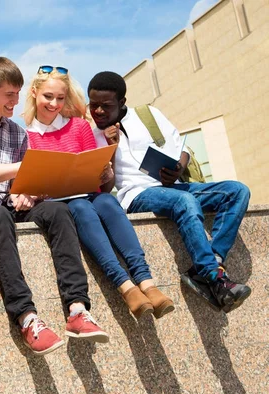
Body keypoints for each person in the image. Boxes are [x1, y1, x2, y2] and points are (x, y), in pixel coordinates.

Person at [0, 57, 109, 356]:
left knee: (58, 211)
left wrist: (28, 194)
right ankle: (26, 317)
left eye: (18, 93)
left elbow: (24, 182)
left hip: (7, 203)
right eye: (9, 94)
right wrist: (21, 169)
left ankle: (77, 309)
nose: (16, 100)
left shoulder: (17, 132)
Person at [87, 71, 251, 313]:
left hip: (172, 187)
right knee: (184, 201)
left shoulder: (148, 115)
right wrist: (110, 146)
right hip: (136, 195)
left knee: (236, 191)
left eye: (106, 105)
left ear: (122, 102)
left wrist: (178, 168)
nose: (98, 111)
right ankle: (213, 277)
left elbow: (182, 149)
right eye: (93, 105)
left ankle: (208, 265)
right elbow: (104, 189)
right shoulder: (90, 134)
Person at [22, 66, 174, 319]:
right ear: (35, 93)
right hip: (60, 202)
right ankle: (126, 287)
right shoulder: (26, 136)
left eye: (60, 98)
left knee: (106, 200)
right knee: (81, 207)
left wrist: (107, 175)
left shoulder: (80, 127)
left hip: (90, 194)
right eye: (49, 97)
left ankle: (146, 282)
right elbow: (30, 183)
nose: (54, 104)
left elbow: (101, 185)